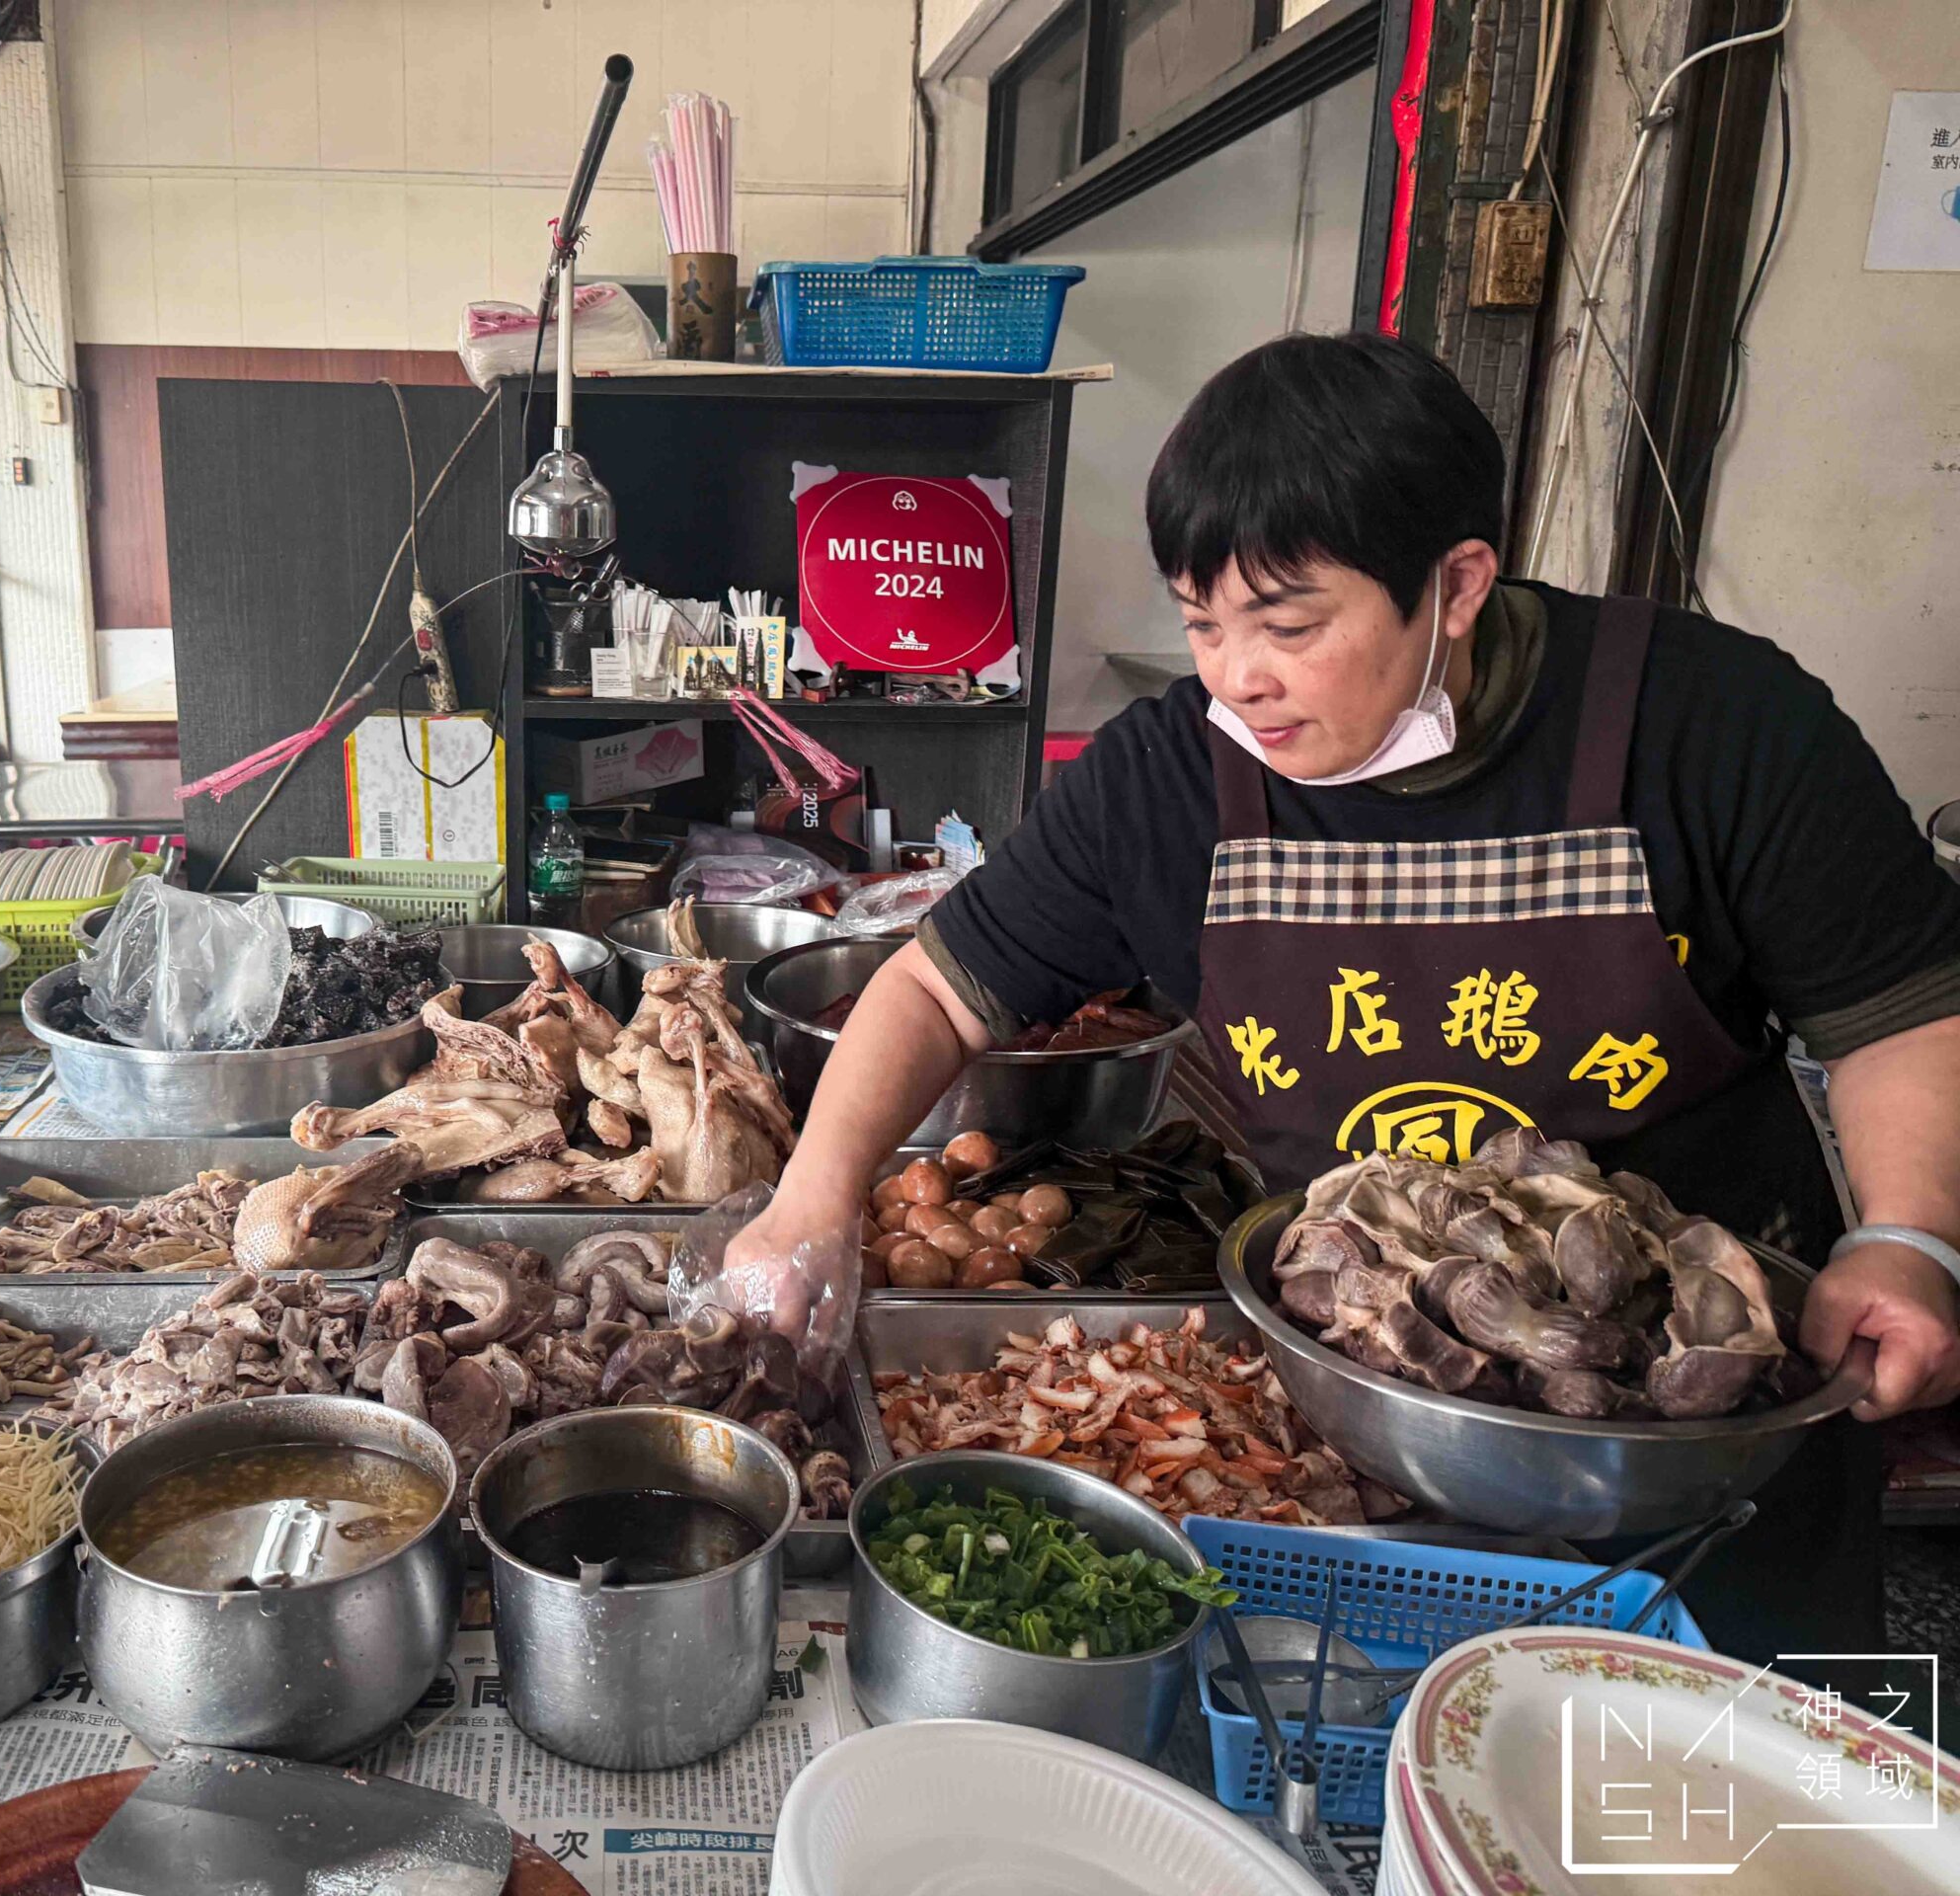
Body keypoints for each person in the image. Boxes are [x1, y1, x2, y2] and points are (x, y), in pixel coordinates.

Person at [734, 331, 1960, 1660]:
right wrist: (812, 1202)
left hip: (1703, 1434)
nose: (1237, 676)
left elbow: (1900, 1007)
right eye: (1203, 623)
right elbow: (938, 989)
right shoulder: (1171, 783)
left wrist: (1911, 1237)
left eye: (1290, 624)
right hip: (1370, 1410)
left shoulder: (1710, 723)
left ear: (1458, 584)